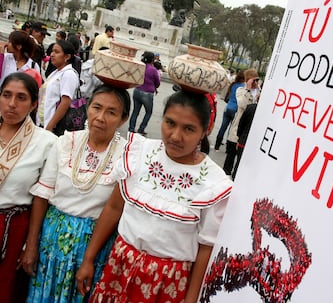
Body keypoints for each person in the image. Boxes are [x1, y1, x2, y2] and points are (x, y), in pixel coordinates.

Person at [76, 90, 233, 303]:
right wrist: (89, 259)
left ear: (206, 130)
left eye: (189, 129)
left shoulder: (213, 184)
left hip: (167, 282)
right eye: (170, 123)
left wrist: (192, 298)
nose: (175, 136)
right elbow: (114, 208)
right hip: (119, 266)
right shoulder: (139, 153)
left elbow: (206, 248)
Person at [23, 84, 131, 302]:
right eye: (96, 108)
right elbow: (42, 195)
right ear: (87, 108)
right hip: (52, 242)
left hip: (95, 248)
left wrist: (90, 258)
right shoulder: (65, 142)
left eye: (111, 112)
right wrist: (31, 245)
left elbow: (117, 208)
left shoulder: (127, 155)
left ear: (123, 119)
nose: (100, 117)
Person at [0, 72, 57, 303]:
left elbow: (41, 198)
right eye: (6, 95)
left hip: (5, 232)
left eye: (21, 98)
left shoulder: (46, 142)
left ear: (34, 104)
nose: (11, 104)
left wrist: (31, 244)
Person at [0, 30, 40, 117]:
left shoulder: (33, 66)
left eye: (10, 42)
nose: (7, 44)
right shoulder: (4, 58)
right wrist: (1, 54)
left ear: (18, 46)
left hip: (17, 111)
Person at [37, 39, 80, 135]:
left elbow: (66, 102)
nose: (52, 54)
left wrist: (50, 126)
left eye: (56, 52)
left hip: (53, 128)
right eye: (52, 51)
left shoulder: (69, 74)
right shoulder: (56, 72)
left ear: (67, 56)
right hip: (43, 123)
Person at [223, 68, 260, 176]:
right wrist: (248, 89)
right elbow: (243, 105)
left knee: (240, 163)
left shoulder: (259, 92)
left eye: (257, 80)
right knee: (230, 158)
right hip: (237, 128)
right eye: (253, 80)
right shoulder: (241, 90)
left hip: (248, 131)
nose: (255, 82)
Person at [128, 51, 160, 135]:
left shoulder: (140, 66)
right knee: (148, 112)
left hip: (137, 90)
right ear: (152, 60)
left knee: (135, 111)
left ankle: (131, 128)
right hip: (147, 93)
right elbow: (158, 83)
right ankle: (141, 128)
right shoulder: (153, 70)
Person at [214, 70, 246, 151]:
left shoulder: (233, 84)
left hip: (228, 108)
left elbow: (227, 96)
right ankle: (228, 148)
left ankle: (216, 146)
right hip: (235, 109)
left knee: (223, 127)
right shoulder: (243, 87)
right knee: (231, 129)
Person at [232, 101, 258, 180]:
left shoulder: (250, 107)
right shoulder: (267, 112)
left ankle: (234, 179)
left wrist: (239, 137)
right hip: (254, 144)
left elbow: (241, 123)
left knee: (238, 163)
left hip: (243, 140)